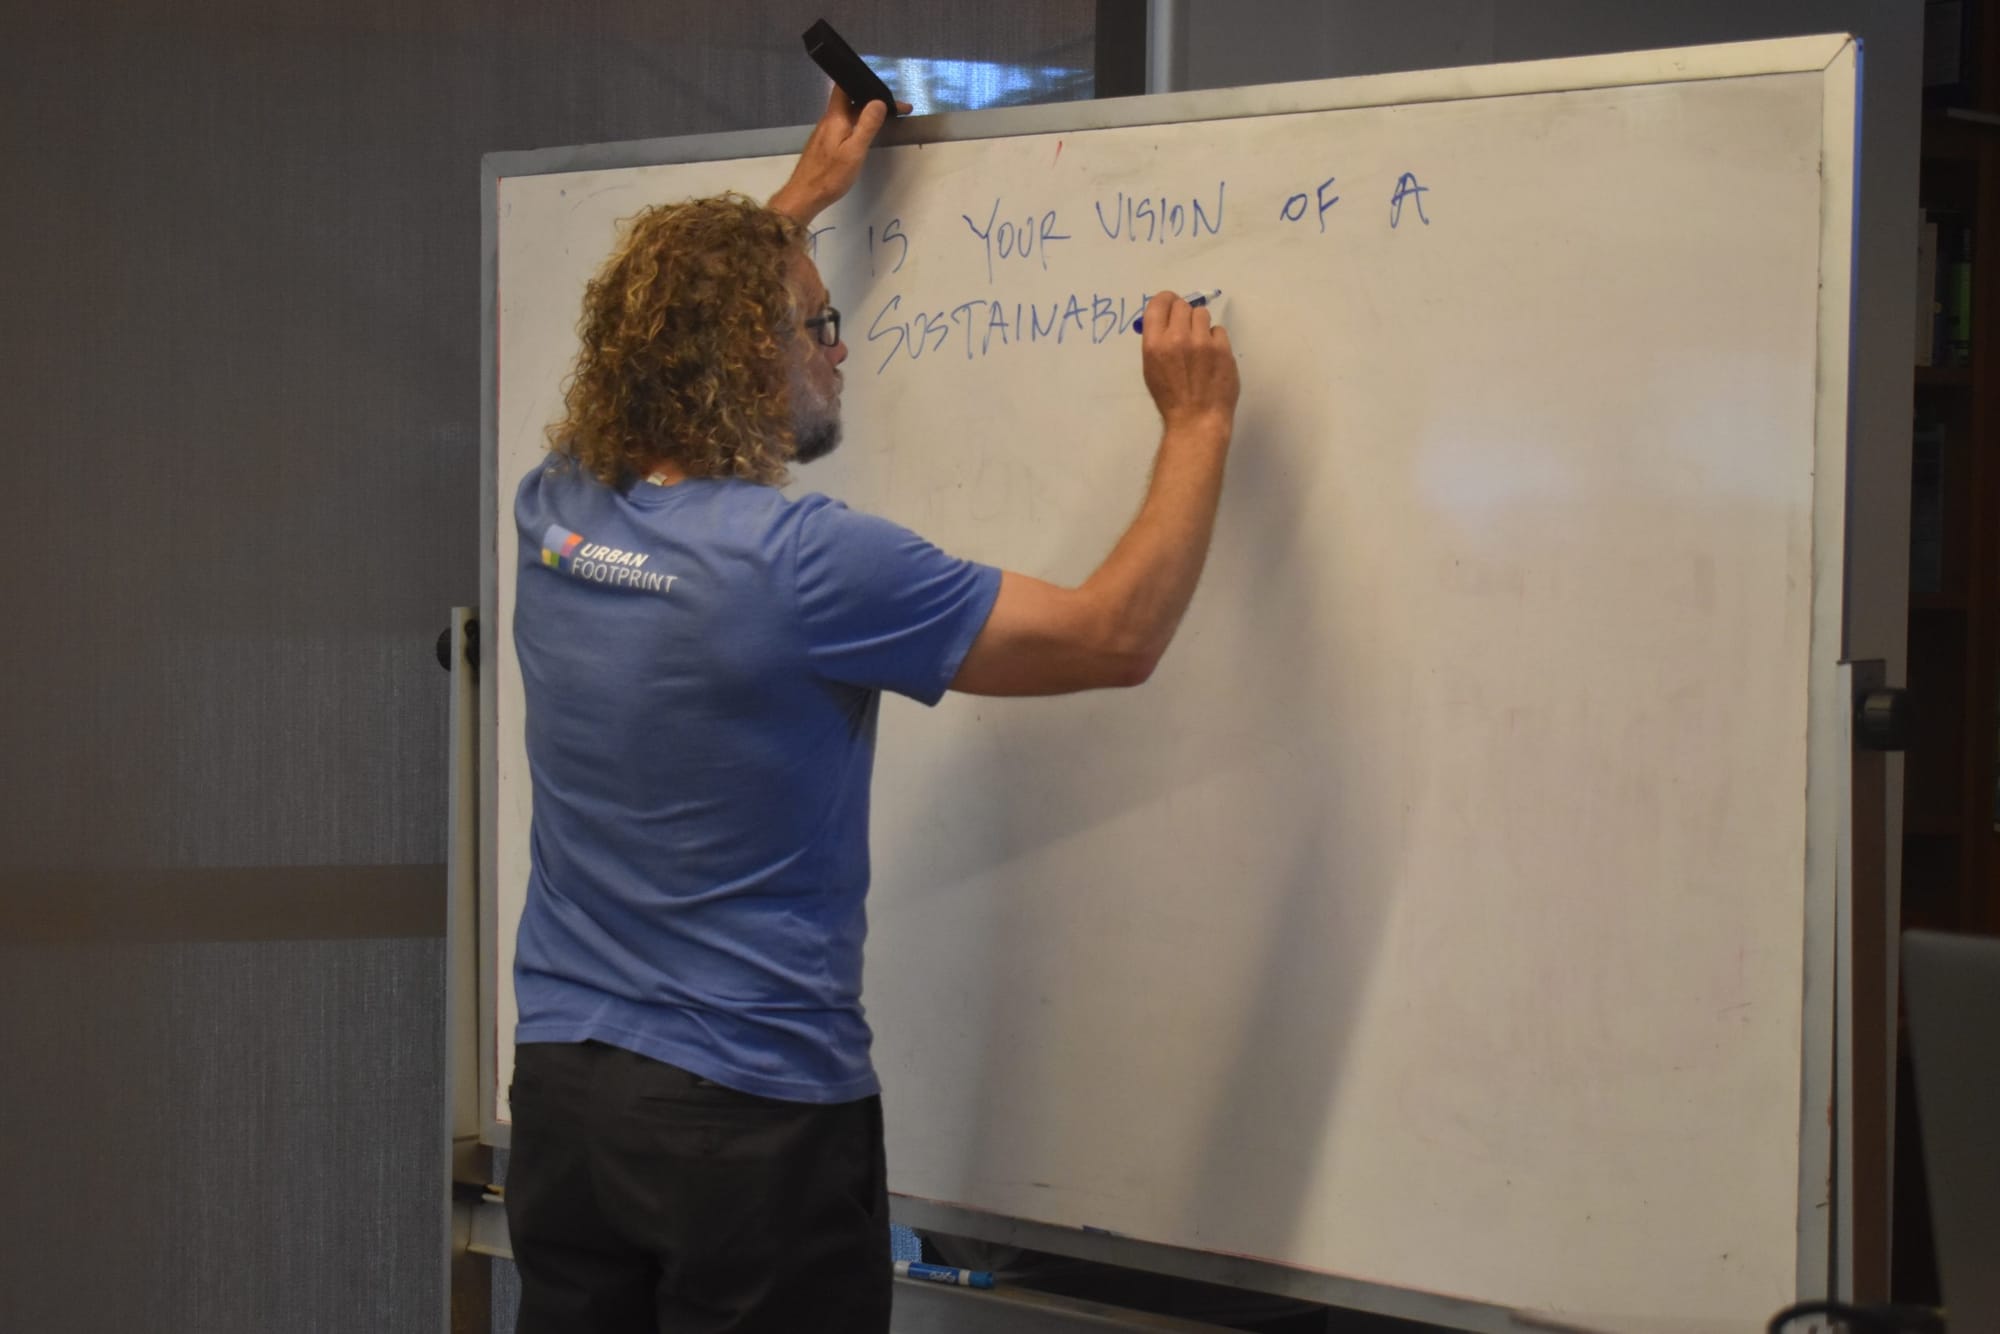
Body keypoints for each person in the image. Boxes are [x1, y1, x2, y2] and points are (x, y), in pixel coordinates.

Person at [504, 84, 1240, 1334]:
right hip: (746, 1127)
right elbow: (1115, 635)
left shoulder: (558, 509)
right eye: (815, 324)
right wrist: (1198, 421)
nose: (838, 348)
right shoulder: (803, 566)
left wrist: (796, 205)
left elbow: (675, 325)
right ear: (747, 356)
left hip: (568, 1105)